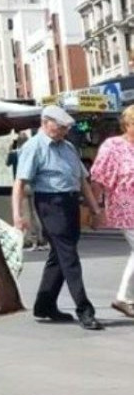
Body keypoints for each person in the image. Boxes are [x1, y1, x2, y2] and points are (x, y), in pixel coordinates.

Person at [13, 105, 104, 331]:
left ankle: (44, 305)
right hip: (49, 203)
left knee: (60, 254)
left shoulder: (69, 147)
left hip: (70, 202)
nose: (63, 131)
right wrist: (18, 215)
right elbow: (20, 183)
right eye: (60, 127)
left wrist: (95, 209)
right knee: (68, 255)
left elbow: (82, 181)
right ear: (45, 123)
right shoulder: (34, 147)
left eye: (66, 128)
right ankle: (84, 309)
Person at [91, 105, 134, 319]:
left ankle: (126, 297)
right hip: (126, 206)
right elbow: (99, 177)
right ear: (127, 125)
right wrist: (96, 209)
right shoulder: (113, 146)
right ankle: (123, 297)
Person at [7, 132, 46, 250]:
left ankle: (28, 239)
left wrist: (10, 148)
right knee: (35, 212)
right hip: (32, 184)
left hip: (21, 186)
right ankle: (40, 238)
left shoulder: (15, 154)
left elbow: (7, 163)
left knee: (25, 213)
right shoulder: (31, 152)